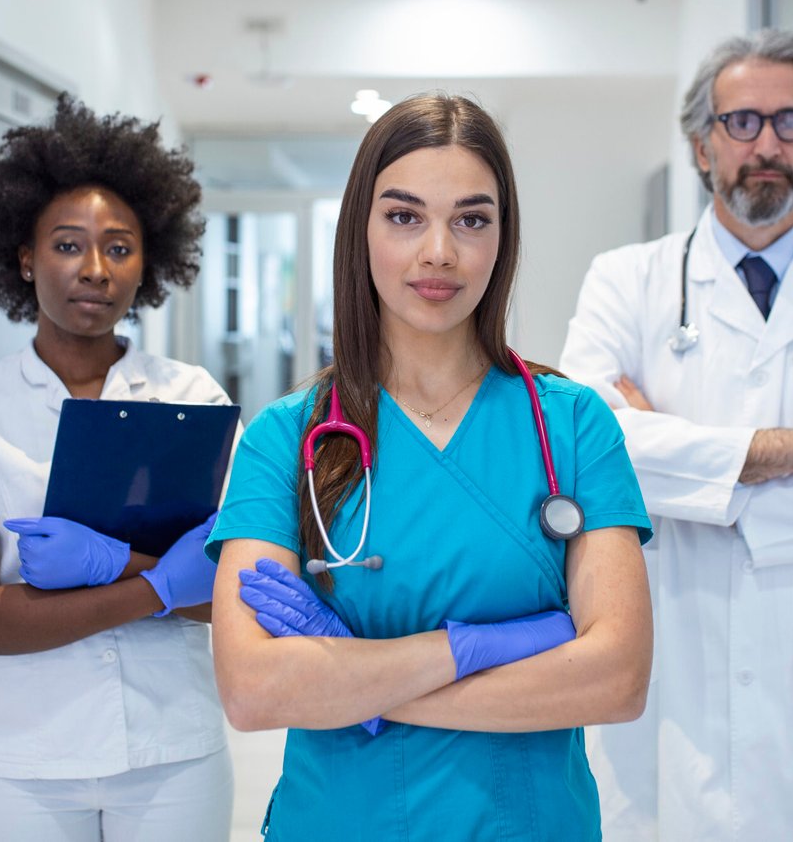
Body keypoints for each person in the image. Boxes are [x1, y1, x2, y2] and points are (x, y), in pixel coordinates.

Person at [206, 93, 654, 841]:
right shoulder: (287, 439)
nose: (439, 250)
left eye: (471, 219)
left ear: (502, 239)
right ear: (362, 230)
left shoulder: (573, 425)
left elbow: (617, 677)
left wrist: (356, 680)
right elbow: (252, 689)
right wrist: (467, 648)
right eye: (405, 216)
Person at [560, 29, 793, 841]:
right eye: (740, 122)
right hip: (675, 653)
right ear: (702, 145)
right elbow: (588, 455)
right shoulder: (626, 281)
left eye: (791, 121)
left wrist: (676, 459)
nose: (766, 143)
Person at [0, 97, 232, 841]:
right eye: (67, 244)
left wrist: (116, 569)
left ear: (148, 263)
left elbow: (235, 592)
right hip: (24, 761)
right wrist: (155, 582)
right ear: (23, 255)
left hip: (172, 746)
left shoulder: (194, 399)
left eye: (119, 247)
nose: (94, 269)